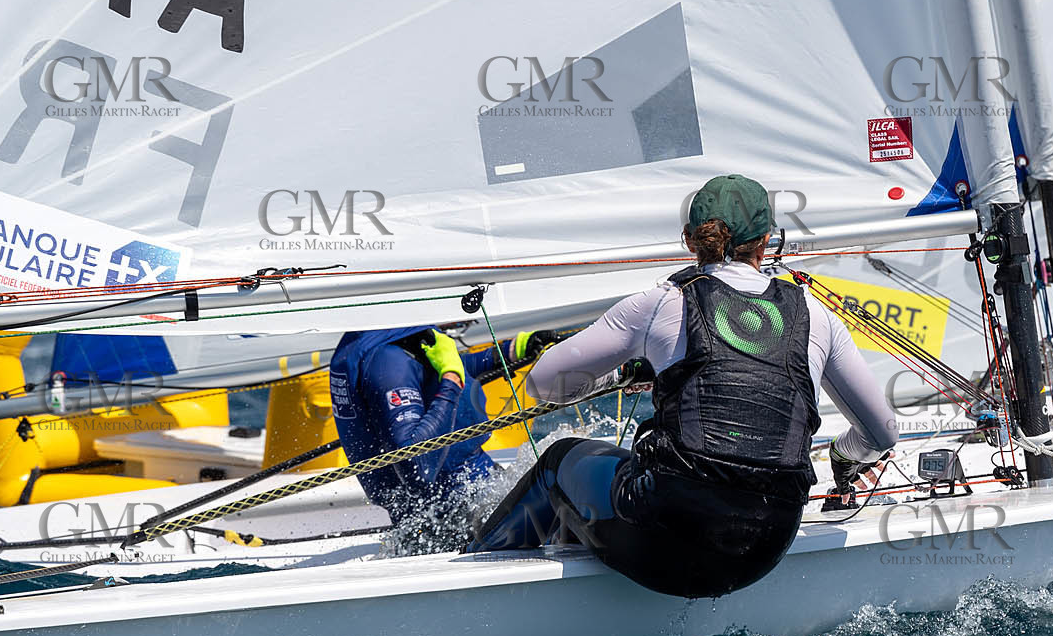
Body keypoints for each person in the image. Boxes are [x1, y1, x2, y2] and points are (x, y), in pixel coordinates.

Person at [466, 174, 898, 598]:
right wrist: (845, 455)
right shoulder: (816, 316)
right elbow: (882, 433)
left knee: (557, 460)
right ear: (767, 241)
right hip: (763, 549)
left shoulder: (661, 303)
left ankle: (476, 584)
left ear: (690, 241)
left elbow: (544, 384)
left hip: (660, 542)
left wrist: (620, 375)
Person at [328, 326, 559, 521]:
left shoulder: (395, 337)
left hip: (476, 487)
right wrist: (452, 380)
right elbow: (416, 469)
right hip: (451, 515)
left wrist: (510, 351)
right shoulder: (387, 364)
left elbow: (431, 374)